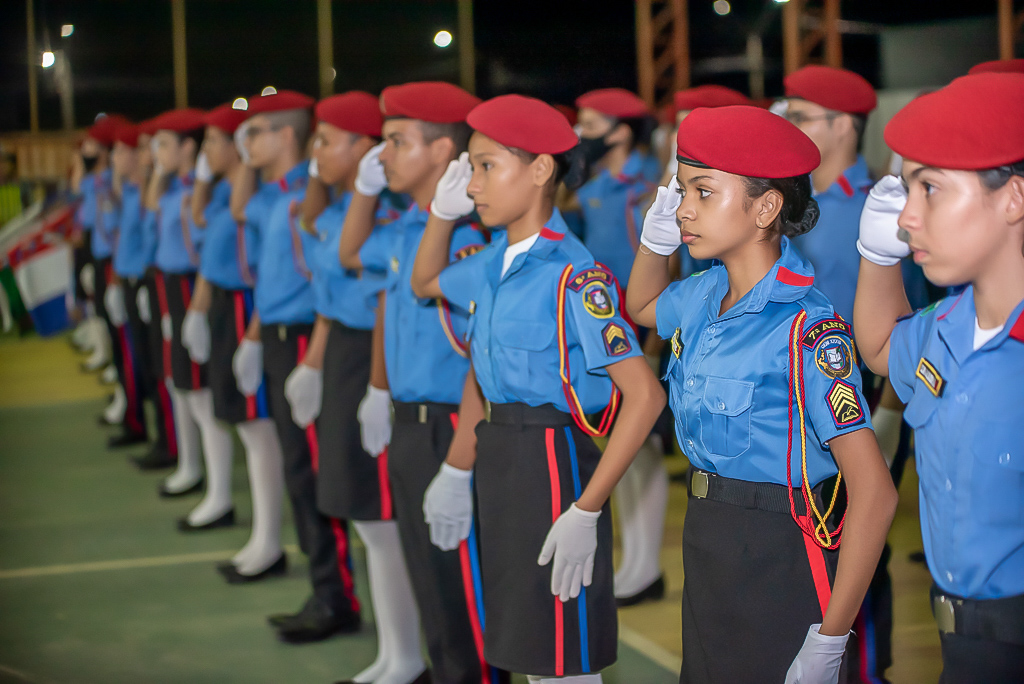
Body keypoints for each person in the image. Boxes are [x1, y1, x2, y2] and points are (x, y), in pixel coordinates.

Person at [626, 104, 897, 684]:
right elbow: (643, 307)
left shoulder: (807, 328)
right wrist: (655, 240)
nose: (684, 210)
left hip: (783, 553)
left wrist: (831, 636)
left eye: (702, 191)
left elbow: (874, 493)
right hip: (707, 540)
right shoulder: (701, 295)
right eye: (680, 191)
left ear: (766, 206)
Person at [410, 93, 666, 683]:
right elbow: (425, 282)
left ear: (541, 169)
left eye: (486, 166)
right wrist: (440, 216)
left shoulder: (576, 278)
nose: (473, 184)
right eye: (471, 168)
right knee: (528, 645)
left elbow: (645, 395)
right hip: (500, 454)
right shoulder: (493, 261)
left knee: (563, 653)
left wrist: (587, 507)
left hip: (554, 462)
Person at [853, 71, 1024, 683]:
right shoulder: (944, 325)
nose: (909, 219)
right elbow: (877, 346)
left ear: (1013, 197)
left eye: (931, 189)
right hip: (961, 649)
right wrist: (877, 259)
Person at [337, 81, 498, 684]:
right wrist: (362, 191)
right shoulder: (409, 227)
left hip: (456, 427)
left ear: (440, 152)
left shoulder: (472, 237)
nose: (383, 156)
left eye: (397, 142)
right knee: (429, 577)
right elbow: (352, 254)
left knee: (463, 585)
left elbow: (482, 358)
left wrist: (459, 463)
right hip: (409, 421)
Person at [283, 90, 426, 684]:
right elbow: (327, 288)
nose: (313, 153)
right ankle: (395, 653)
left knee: (381, 516)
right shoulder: (342, 208)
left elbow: (382, 306)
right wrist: (313, 363)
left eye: (325, 140)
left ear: (364, 150)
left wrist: (376, 385)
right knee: (364, 517)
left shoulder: (385, 215)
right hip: (341, 351)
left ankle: (408, 656)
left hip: (373, 359)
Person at [230, 89, 362, 644]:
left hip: (312, 335)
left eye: (256, 131)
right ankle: (323, 586)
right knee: (295, 465)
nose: (247, 142)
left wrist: (308, 357)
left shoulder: (312, 204)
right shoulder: (268, 199)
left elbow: (318, 281)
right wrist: (256, 337)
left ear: (287, 135)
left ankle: (335, 595)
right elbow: (241, 214)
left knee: (313, 472)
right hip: (281, 335)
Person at [179, 102, 286, 577]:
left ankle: (269, 540)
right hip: (226, 303)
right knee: (242, 424)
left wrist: (254, 334)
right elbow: (202, 225)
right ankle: (260, 536)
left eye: (213, 142)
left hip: (250, 307)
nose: (208, 151)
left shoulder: (256, 193)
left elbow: (246, 237)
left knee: (257, 428)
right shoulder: (227, 191)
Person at [146, 108, 236, 517]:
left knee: (200, 392)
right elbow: (152, 206)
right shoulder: (171, 187)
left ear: (188, 147)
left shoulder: (208, 192)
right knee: (179, 383)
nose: (155, 151)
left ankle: (217, 491)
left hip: (192, 288)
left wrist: (192, 309)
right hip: (171, 285)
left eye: (164, 143)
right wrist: (163, 170)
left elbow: (203, 247)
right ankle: (191, 466)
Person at [106, 119, 180, 475]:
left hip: (153, 280)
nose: (115, 158)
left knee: (159, 367)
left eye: (124, 151)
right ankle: (160, 437)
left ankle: (170, 443)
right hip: (134, 281)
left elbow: (151, 237)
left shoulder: (161, 190)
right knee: (144, 363)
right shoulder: (134, 191)